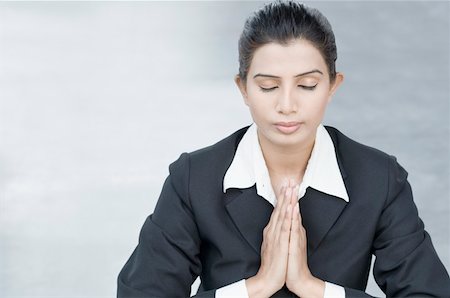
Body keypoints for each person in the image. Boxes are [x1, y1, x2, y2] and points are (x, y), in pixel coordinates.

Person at [117, 1, 450, 297]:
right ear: (243, 88)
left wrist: (314, 289)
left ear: (333, 86)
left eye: (307, 85)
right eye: (268, 86)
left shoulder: (379, 178)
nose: (287, 105)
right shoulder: (193, 179)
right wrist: (255, 288)